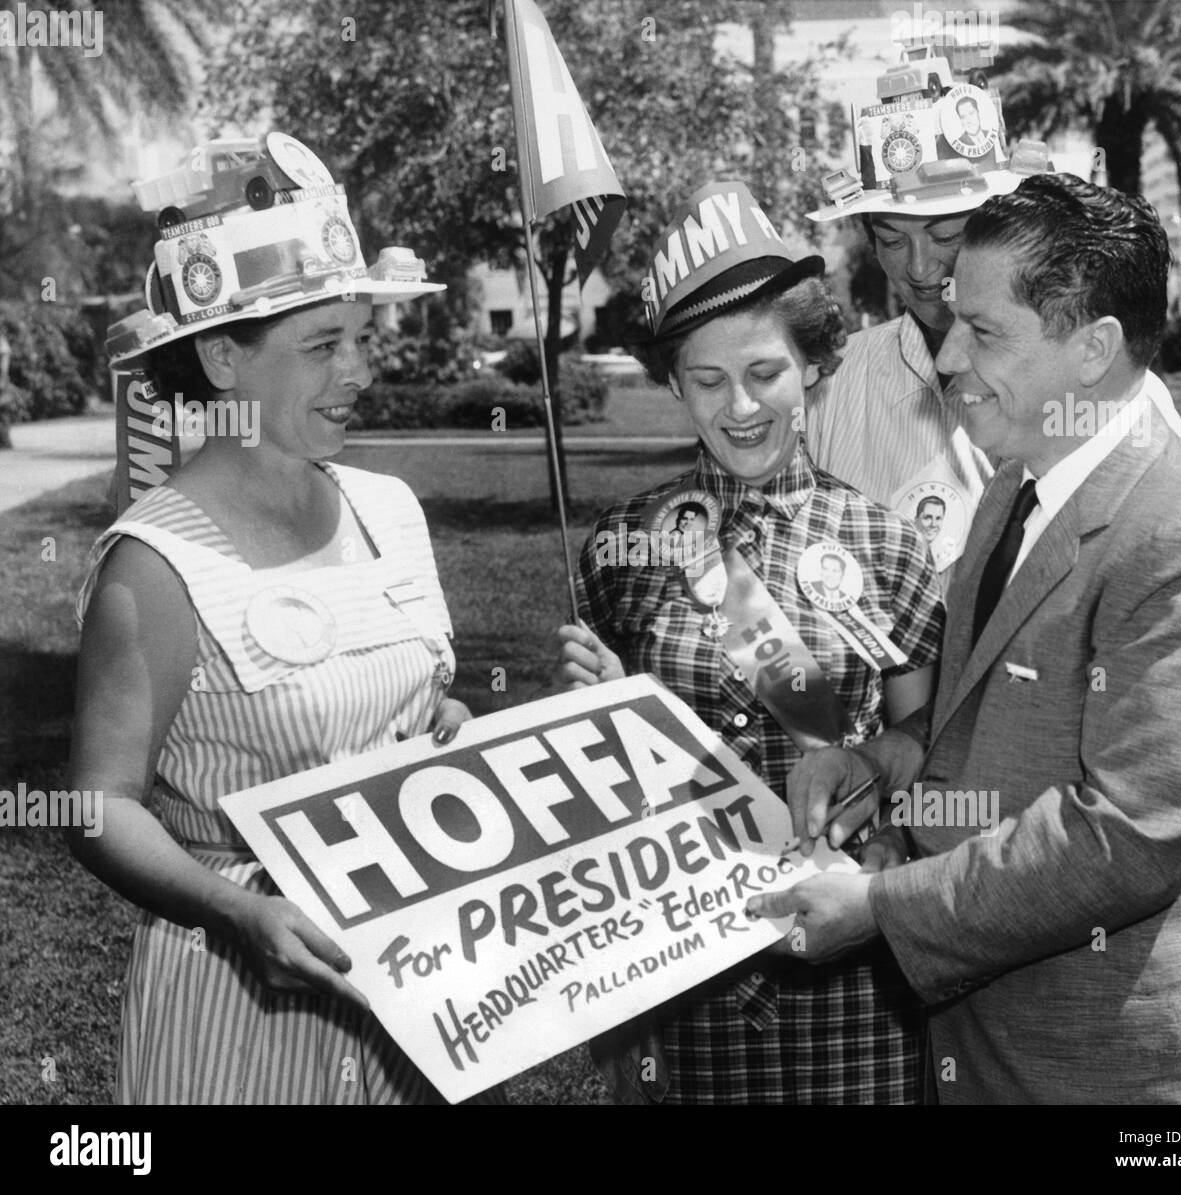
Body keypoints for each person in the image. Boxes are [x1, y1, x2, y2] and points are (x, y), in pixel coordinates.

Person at [750, 174, 1181, 1104]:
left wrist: (881, 907)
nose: (949, 355)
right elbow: (974, 727)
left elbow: (1127, 834)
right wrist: (884, 764)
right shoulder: (1015, 487)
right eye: (955, 320)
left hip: (1128, 1083)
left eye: (985, 331)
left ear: (1094, 349)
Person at [67, 132, 499, 1105]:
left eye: (360, 338)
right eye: (321, 347)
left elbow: (411, 706)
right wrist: (233, 911)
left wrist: (447, 730)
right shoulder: (157, 560)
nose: (357, 371)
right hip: (240, 1002)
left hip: (416, 994)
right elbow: (97, 808)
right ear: (223, 358)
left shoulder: (389, 508)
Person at [553, 180, 945, 1105]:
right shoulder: (622, 545)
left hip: (850, 974)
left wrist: (872, 763)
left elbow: (929, 744)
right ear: (671, 381)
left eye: (765, 372)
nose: (740, 407)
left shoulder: (885, 543)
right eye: (706, 379)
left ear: (812, 364)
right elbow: (587, 792)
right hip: (682, 983)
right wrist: (600, 711)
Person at [805, 64, 1181, 594]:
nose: (920, 268)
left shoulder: (1118, 393)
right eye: (892, 241)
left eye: (947, 236)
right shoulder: (832, 381)